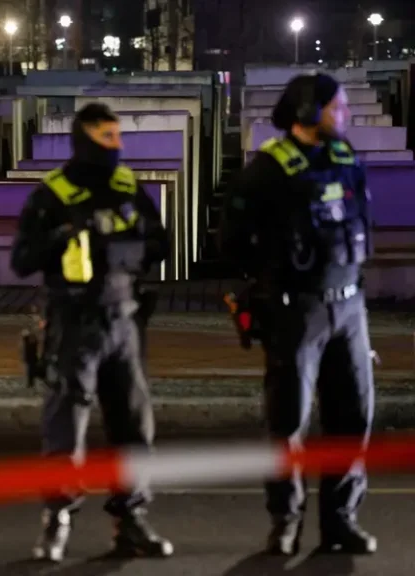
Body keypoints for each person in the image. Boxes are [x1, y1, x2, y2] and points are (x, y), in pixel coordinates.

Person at [218, 73, 376, 556]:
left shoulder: (346, 161)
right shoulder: (267, 171)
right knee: (288, 422)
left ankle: (339, 522)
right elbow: (233, 242)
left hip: (349, 308)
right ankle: (285, 521)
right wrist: (268, 285)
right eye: (337, 107)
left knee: (353, 419)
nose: (344, 114)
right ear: (308, 112)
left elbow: (361, 229)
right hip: (296, 311)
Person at [10, 103, 172, 562]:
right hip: (74, 320)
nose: (117, 145)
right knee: (66, 425)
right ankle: (57, 521)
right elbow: (21, 261)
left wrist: (125, 244)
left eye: (118, 135)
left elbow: (162, 244)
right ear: (84, 140)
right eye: (107, 137)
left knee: (134, 424)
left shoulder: (127, 188)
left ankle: (132, 520)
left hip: (125, 319)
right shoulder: (53, 194)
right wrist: (62, 237)